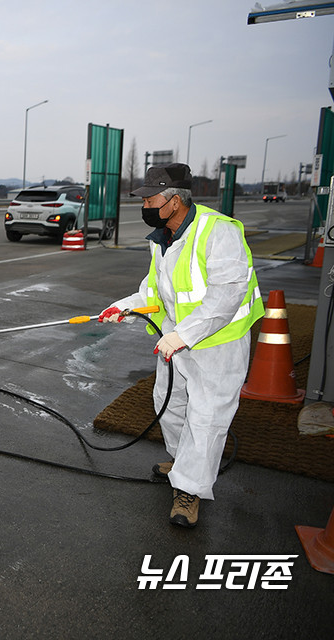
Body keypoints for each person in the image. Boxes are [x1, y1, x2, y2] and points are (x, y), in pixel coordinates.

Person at [99, 163, 263, 528]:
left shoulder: (218, 232)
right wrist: (124, 307)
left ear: (174, 201)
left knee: (205, 418)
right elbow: (153, 291)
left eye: (151, 199)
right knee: (169, 404)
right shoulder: (163, 240)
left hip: (218, 345)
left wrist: (184, 336)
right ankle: (182, 461)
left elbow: (228, 294)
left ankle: (189, 490)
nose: (145, 206)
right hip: (177, 341)